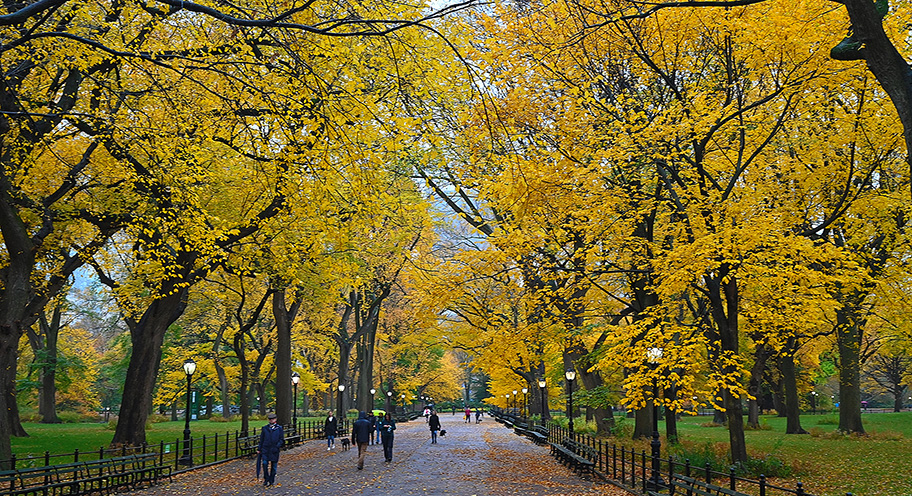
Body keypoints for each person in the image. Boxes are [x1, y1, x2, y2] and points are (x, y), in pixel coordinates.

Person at [257, 413, 284, 487]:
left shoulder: (279, 428)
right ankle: (266, 478)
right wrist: (259, 448)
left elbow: (281, 439)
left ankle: (271, 480)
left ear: (275, 419)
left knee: (274, 467)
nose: (271, 420)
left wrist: (277, 446)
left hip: (274, 450)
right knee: (265, 464)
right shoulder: (265, 428)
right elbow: (262, 439)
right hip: (266, 449)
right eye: (270, 419)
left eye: (273, 419)